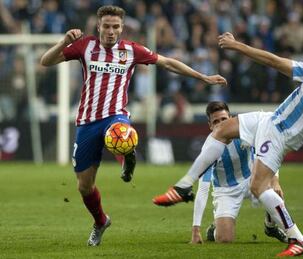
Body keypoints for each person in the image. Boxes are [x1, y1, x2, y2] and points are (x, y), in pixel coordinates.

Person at [153, 25, 303, 257]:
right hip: (271, 120)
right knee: (221, 130)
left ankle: (298, 240)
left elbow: (273, 61)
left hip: (281, 131)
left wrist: (238, 46)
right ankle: (184, 187)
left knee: (259, 187)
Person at [40, 5, 226, 247]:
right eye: (106, 26)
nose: (110, 31)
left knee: (120, 133)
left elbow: (168, 62)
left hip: (115, 116)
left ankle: (127, 155)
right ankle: (100, 221)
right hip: (87, 122)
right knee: (84, 186)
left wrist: (203, 77)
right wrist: (64, 40)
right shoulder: (85, 46)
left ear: (122, 28)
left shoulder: (130, 50)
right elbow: (46, 61)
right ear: (98, 27)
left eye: (115, 27)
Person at [189, 101, 287, 244]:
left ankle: (270, 226)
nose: (221, 124)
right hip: (226, 191)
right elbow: (203, 190)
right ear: (210, 126)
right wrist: (196, 229)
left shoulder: (245, 132)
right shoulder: (209, 150)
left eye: (224, 119)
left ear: (231, 118)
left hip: (251, 180)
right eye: (216, 122)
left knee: (274, 189)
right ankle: (215, 229)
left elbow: (268, 155)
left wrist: (275, 180)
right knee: (225, 239)